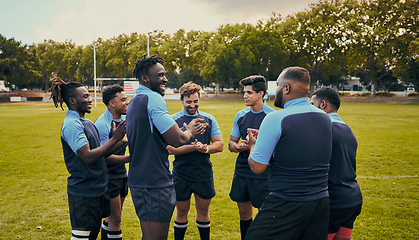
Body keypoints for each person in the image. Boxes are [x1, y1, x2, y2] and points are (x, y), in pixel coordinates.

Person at [245, 67, 333, 240]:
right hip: (320, 202)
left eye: (277, 85)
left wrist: (253, 146)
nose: (275, 90)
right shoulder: (324, 118)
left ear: (286, 88)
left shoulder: (276, 118)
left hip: (287, 200)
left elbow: (257, 166)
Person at [126, 55, 207, 240]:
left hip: (142, 178)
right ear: (145, 78)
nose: (165, 79)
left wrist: (183, 130)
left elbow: (159, 134)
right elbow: (177, 139)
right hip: (153, 181)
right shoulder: (153, 99)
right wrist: (190, 131)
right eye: (161, 75)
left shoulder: (136, 100)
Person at [48, 78, 126, 240]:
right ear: (72, 101)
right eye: (85, 97)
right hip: (84, 192)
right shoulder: (72, 124)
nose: (90, 99)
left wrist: (120, 141)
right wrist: (114, 139)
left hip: (98, 188)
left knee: (93, 234)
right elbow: (87, 156)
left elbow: (100, 153)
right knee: (82, 237)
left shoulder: (87, 122)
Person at [167, 82, 224, 240]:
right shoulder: (174, 120)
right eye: (189, 101)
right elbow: (169, 149)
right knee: (181, 212)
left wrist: (205, 148)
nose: (192, 105)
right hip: (181, 173)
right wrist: (194, 147)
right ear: (181, 100)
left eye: (195, 101)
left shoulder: (209, 119)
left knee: (204, 212)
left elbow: (219, 145)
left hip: (203, 173)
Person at [311, 87, 363, 240]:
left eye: (312, 104)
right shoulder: (347, 129)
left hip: (333, 201)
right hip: (352, 198)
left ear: (323, 104)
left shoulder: (324, 129)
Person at [227, 75, 275, 240]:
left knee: (264, 215)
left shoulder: (272, 116)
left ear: (261, 93)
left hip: (263, 173)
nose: (245, 96)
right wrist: (238, 147)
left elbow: (277, 148)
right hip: (242, 171)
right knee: (244, 214)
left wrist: (256, 145)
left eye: (249, 92)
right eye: (244, 92)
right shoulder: (240, 115)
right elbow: (231, 143)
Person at [94, 84, 130, 240]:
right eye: (123, 100)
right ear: (112, 103)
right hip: (109, 177)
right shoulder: (102, 124)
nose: (126, 102)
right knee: (116, 219)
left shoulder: (125, 120)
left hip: (121, 174)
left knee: (111, 218)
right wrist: (130, 159)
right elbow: (103, 158)